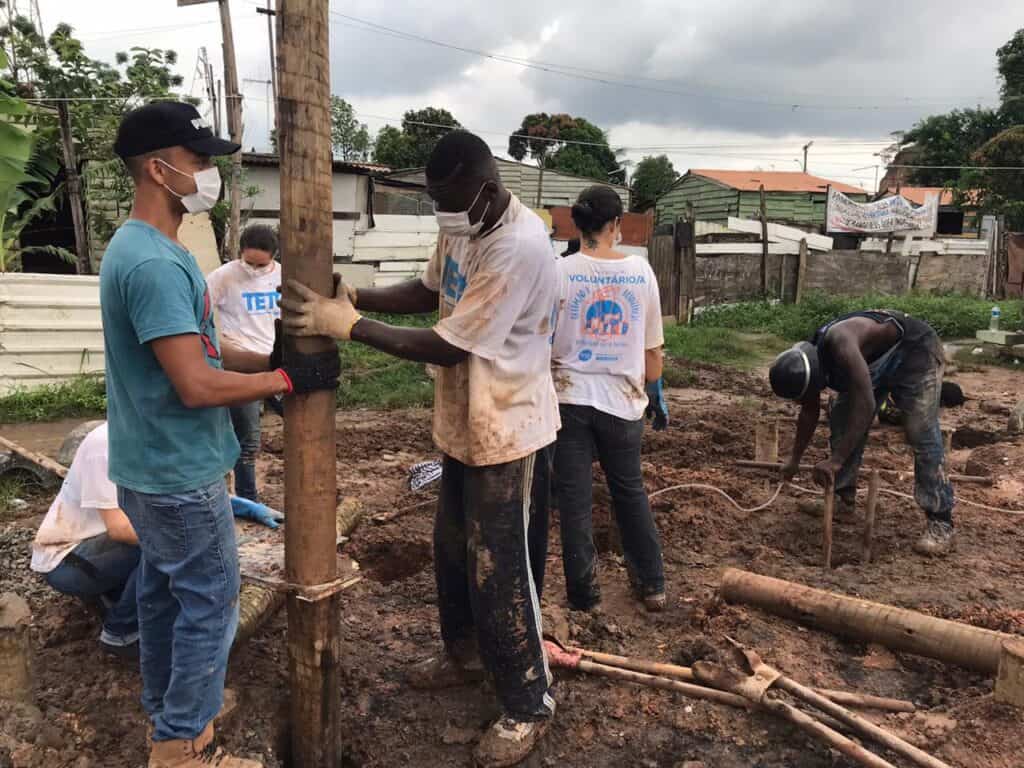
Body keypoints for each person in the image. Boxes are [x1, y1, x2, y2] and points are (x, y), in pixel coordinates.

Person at [280, 130, 559, 768]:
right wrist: (359, 298)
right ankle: (462, 656)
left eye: (450, 200)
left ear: (487, 189)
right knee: (451, 551)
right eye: (436, 201)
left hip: (509, 426)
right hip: (467, 420)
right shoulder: (466, 223)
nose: (444, 214)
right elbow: (432, 291)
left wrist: (349, 328)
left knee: (499, 567)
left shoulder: (518, 245)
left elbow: (448, 343)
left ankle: (528, 700)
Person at [102, 101, 339, 768]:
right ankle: (184, 746)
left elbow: (200, 353)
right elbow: (196, 385)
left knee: (160, 595)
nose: (209, 174)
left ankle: (171, 714)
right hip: (178, 471)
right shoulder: (152, 264)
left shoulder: (151, 250)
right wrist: (287, 385)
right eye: (200, 161)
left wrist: (268, 362)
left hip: (148, 464)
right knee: (210, 603)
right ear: (158, 168)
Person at [548, 185, 668, 613]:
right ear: (616, 225)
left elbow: (542, 344)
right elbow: (652, 360)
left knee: (575, 500)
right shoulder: (641, 273)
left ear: (576, 224)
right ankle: (652, 586)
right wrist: (652, 385)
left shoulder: (558, 273)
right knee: (629, 491)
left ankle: (585, 599)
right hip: (623, 401)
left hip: (568, 402)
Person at [769, 309, 954, 556]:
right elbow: (809, 411)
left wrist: (836, 460)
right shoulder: (806, 359)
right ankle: (843, 500)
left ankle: (941, 521)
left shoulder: (842, 343)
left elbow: (866, 405)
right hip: (871, 363)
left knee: (920, 429)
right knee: (842, 416)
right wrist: (794, 460)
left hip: (914, 351)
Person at [31, 422, 141, 658]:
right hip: (66, 559)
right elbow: (120, 529)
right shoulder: (105, 445)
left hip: (96, 547)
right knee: (166, 547)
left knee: (166, 538)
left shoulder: (149, 435)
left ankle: (114, 597)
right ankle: (121, 631)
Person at [206, 224, 282, 502]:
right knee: (248, 439)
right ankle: (248, 499)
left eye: (261, 265)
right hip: (242, 366)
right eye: (248, 262)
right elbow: (196, 309)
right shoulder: (224, 277)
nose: (254, 269)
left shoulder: (284, 275)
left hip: (278, 363)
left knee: (301, 422)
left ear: (273, 256)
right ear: (240, 253)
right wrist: (219, 345)